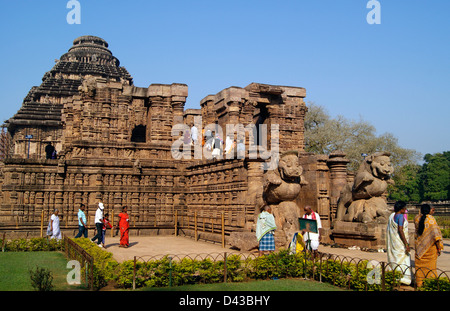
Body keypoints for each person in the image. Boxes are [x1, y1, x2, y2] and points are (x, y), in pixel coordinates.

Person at [414, 204, 444, 287]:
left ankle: (419, 283)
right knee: (430, 268)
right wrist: (439, 248)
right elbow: (436, 236)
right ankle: (430, 284)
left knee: (419, 267)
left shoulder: (416, 218)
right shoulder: (431, 219)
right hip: (430, 248)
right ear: (429, 210)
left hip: (419, 247)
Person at [386, 201, 411, 285]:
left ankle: (395, 276)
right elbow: (400, 230)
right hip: (400, 242)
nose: (405, 209)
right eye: (405, 208)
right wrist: (406, 244)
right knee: (403, 259)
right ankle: (403, 278)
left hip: (394, 242)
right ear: (401, 209)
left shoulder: (392, 216)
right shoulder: (400, 216)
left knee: (395, 259)